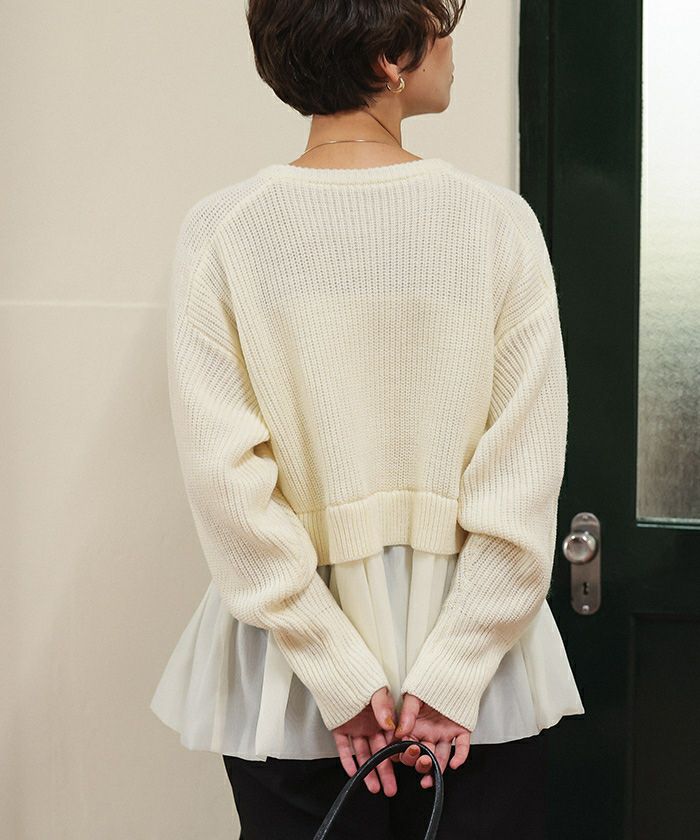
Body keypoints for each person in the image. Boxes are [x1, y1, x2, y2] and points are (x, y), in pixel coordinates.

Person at [149, 0, 585, 836]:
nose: (451, 44)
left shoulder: (224, 231)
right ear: (390, 57)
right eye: (439, 22)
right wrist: (456, 668)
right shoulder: (499, 225)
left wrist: (334, 668)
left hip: (290, 675)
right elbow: (524, 471)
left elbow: (225, 484)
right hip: (479, 669)